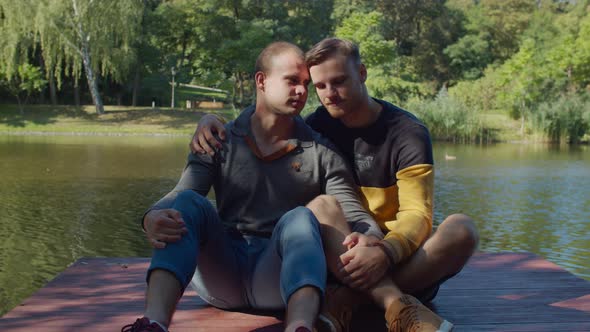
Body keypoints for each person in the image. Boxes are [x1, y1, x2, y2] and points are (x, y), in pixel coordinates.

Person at [191, 38, 479, 332]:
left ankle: (349, 301)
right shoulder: (317, 126)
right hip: (341, 257)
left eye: (339, 81)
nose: (330, 94)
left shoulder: (407, 133)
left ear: (362, 73)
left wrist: (384, 252)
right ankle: (395, 305)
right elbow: (266, 121)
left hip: (399, 255)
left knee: (462, 230)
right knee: (322, 206)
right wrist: (212, 121)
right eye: (320, 86)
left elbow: (417, 214)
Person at [122, 41, 382, 332]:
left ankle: (300, 327)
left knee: (301, 217)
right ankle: (153, 324)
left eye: (306, 84)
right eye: (292, 81)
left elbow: (353, 213)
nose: (302, 92)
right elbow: (183, 191)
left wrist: (372, 239)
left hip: (279, 277)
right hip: (223, 275)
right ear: (261, 80)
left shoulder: (322, 152)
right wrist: (150, 218)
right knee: (188, 203)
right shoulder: (218, 139)